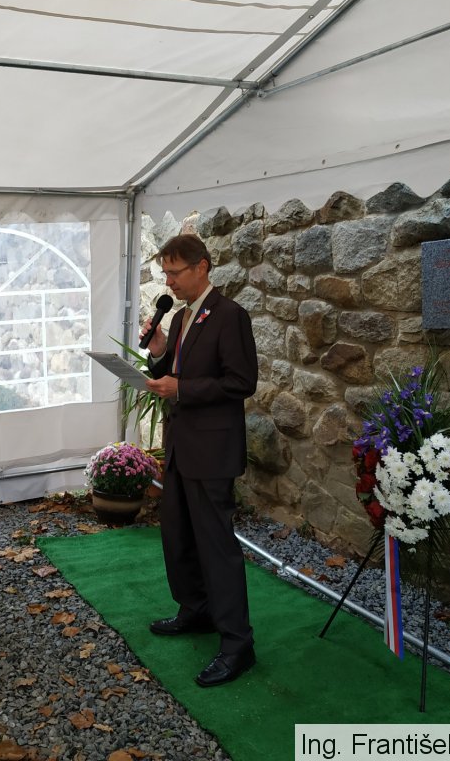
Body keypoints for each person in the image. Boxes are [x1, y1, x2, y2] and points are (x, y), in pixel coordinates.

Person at [140, 233, 259, 687]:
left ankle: (238, 645)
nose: (169, 282)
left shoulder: (230, 315)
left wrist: (183, 388)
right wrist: (158, 352)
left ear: (202, 266)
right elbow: (173, 374)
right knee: (178, 536)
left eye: (174, 273)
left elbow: (241, 381)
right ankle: (197, 609)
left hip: (211, 451)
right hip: (180, 445)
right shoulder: (183, 316)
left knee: (216, 547)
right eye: (166, 273)